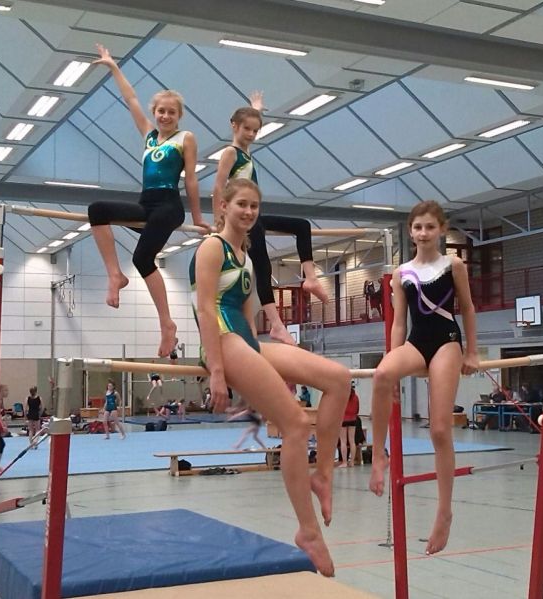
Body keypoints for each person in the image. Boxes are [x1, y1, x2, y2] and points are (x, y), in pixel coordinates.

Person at [190, 178, 350, 576]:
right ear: (223, 207)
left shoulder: (245, 257)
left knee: (339, 378)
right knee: (294, 422)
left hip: (243, 341)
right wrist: (217, 370)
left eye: (254, 206)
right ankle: (308, 531)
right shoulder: (212, 247)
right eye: (241, 204)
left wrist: (257, 366)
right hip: (220, 341)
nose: (249, 212)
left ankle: (323, 474)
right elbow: (206, 310)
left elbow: (248, 318)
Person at [369, 200, 479, 556]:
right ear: (411, 231)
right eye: (418, 227)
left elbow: (468, 308)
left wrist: (472, 352)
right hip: (417, 342)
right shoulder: (401, 273)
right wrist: (394, 364)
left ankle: (444, 511)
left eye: (430, 227)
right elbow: (399, 322)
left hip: (447, 341)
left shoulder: (453, 265)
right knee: (382, 373)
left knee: (439, 430)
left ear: (442, 230)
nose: (423, 233)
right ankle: (379, 455)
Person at [88, 44, 210, 358]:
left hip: (169, 206)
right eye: (161, 111)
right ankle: (115, 274)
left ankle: (167, 324)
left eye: (171, 112)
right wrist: (114, 67)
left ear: (179, 116)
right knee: (97, 210)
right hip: (146, 204)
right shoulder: (148, 134)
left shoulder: (185, 138)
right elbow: (130, 98)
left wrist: (197, 218)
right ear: (154, 113)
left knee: (143, 259)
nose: (165, 116)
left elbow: (191, 180)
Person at [211, 93, 328, 345]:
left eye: (255, 130)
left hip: (257, 215)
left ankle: (311, 278)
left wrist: (255, 109)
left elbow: (248, 122)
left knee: (302, 226)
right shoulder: (230, 153)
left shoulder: (245, 151)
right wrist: (219, 220)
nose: (252, 134)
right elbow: (218, 187)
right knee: (262, 266)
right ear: (234, 126)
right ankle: (276, 324)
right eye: (247, 129)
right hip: (244, 218)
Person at [338, 382, 360, 467]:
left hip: (343, 419)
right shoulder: (356, 397)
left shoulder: (342, 397)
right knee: (352, 441)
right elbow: (357, 409)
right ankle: (352, 462)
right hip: (353, 419)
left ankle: (344, 462)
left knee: (343, 441)